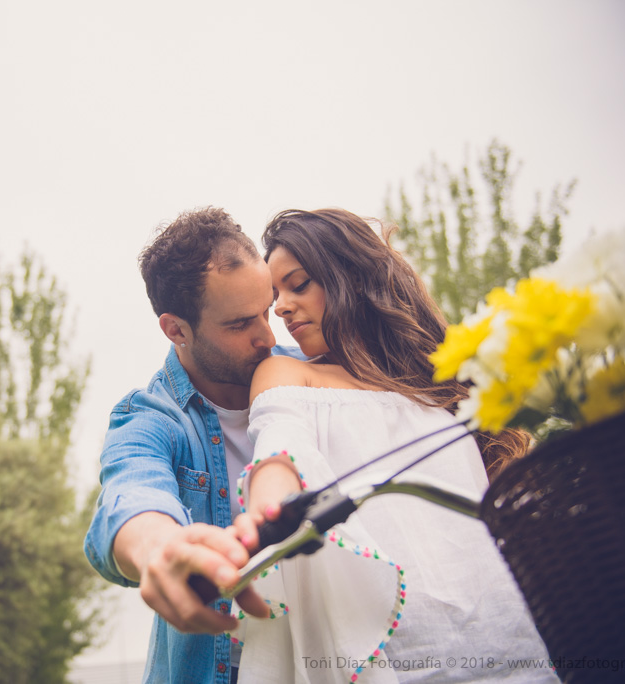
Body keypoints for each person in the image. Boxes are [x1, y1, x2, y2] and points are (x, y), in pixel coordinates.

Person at [230, 208, 556, 682]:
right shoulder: (289, 374)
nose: (280, 307)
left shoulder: (442, 383)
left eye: (298, 284)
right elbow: (281, 449)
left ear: (350, 279)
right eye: (275, 295)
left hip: (506, 643)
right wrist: (265, 517)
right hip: (391, 653)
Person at [84, 207, 302, 684]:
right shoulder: (147, 418)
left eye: (267, 309)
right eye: (241, 323)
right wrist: (160, 546)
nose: (268, 336)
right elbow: (130, 494)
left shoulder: (316, 376)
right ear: (176, 329)